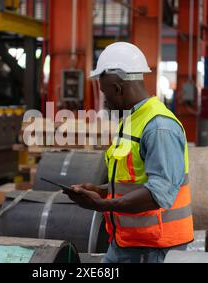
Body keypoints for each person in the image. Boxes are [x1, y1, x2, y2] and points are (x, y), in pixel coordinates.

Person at [63, 42, 194, 263]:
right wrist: (101, 190)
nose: (105, 101)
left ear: (118, 88)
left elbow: (158, 193)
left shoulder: (159, 126)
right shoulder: (132, 121)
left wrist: (102, 205)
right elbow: (135, 182)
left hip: (156, 249)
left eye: (105, 93)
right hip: (128, 244)